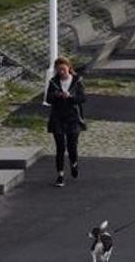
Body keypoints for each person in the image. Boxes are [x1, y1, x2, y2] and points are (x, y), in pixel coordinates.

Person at [46, 56, 86, 187]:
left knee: (72, 146)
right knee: (60, 148)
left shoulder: (77, 81)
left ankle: (74, 163)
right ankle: (60, 175)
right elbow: (48, 98)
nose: (61, 72)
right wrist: (57, 95)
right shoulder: (53, 82)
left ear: (69, 68)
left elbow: (82, 98)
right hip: (58, 117)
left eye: (63, 69)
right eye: (59, 70)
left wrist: (71, 97)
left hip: (73, 117)